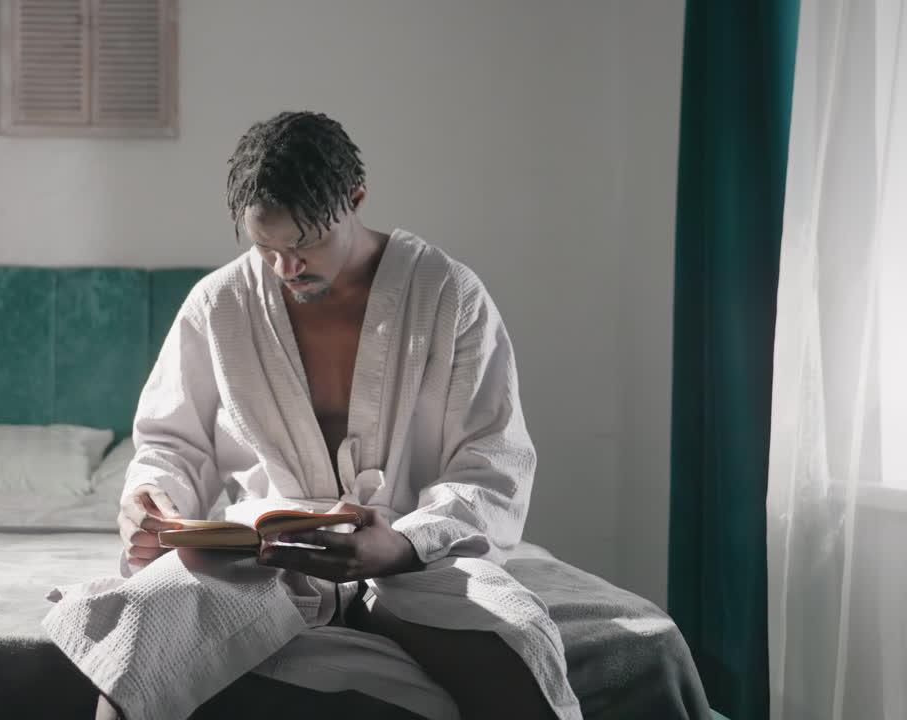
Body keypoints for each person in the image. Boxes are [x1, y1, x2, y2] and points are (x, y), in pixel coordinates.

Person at [53, 111, 578, 720]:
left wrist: (403, 544)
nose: (286, 269)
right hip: (262, 558)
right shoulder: (219, 303)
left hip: (415, 559)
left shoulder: (446, 294)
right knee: (137, 650)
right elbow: (171, 444)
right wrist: (153, 501)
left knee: (517, 655)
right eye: (265, 247)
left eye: (303, 245)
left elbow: (491, 463)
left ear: (355, 199)